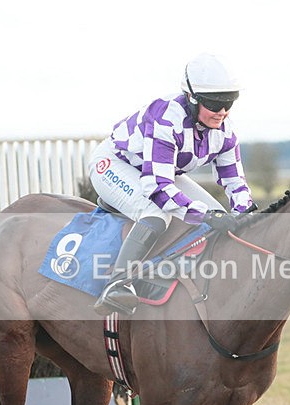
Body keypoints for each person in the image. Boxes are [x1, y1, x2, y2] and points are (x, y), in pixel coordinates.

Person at [89, 53, 254, 315]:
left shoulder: (225, 132)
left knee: (217, 218)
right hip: (115, 164)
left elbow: (235, 183)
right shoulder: (166, 119)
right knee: (157, 212)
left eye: (229, 103)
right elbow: (158, 189)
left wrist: (246, 213)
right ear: (192, 98)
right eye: (214, 103)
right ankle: (116, 284)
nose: (222, 111)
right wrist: (206, 215)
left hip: (157, 170)